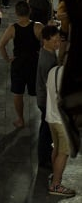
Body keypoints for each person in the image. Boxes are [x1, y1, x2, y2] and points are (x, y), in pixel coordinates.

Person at [0, 0, 44, 128]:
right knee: (39, 92)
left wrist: (7, 59)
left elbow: (1, 46)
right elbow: (45, 44)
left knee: (18, 93)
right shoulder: (38, 26)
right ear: (30, 11)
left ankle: (20, 119)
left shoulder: (13, 28)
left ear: (16, 13)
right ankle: (44, 116)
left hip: (18, 63)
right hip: (34, 62)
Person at [45, 60, 74, 196]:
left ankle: (54, 175)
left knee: (56, 149)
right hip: (63, 123)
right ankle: (56, 185)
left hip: (51, 118)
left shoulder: (53, 71)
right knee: (64, 152)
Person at [34, 25, 60, 169]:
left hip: (45, 98)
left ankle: (45, 155)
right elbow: (50, 85)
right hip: (46, 100)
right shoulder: (47, 61)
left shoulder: (49, 53)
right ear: (45, 40)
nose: (57, 43)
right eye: (55, 40)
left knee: (46, 129)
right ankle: (44, 158)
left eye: (58, 40)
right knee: (46, 130)